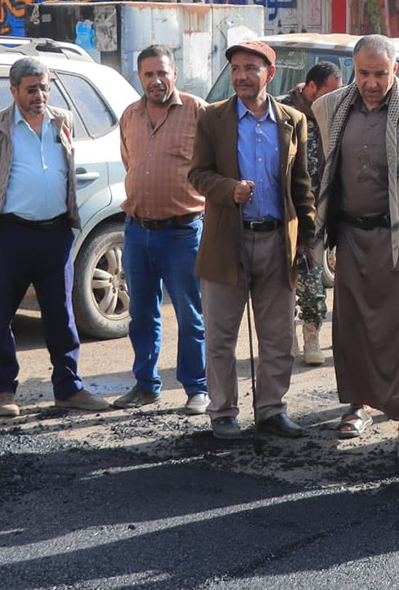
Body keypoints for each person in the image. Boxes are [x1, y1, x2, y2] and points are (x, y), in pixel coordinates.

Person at [311, 35, 399, 461]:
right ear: (353, 70)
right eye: (363, 73)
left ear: (395, 71)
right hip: (352, 236)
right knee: (354, 327)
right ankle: (359, 406)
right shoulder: (332, 109)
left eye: (380, 74)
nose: (371, 82)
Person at [0, 58, 112, 417]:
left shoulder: (62, 121)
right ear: (13, 90)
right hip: (11, 235)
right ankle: (2, 389)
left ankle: (69, 387)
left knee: (62, 316)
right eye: (31, 89)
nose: (40, 95)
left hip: (56, 235)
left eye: (44, 87)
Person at [189, 40, 316, 439]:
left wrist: (307, 239)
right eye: (236, 69)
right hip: (227, 242)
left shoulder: (293, 120)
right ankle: (223, 411)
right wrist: (230, 190)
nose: (241, 76)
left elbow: (301, 185)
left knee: (278, 337)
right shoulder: (212, 117)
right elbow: (197, 174)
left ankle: (272, 410)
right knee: (220, 336)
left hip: (278, 242)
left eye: (250, 68)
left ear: (269, 74)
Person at [113, 45, 210, 414]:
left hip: (183, 233)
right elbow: (130, 162)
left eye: (162, 73)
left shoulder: (197, 111)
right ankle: (145, 385)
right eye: (149, 74)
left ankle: (197, 388)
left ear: (175, 74)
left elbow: (214, 165)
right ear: (139, 77)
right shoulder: (130, 115)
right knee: (141, 314)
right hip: (138, 232)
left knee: (190, 315)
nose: (156, 81)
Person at [283, 60, 342, 367]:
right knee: (280, 281)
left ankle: (311, 337)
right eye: (328, 92)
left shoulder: (334, 113)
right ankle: (285, 337)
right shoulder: (281, 111)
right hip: (284, 211)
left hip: (318, 213)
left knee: (312, 278)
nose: (334, 98)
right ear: (310, 87)